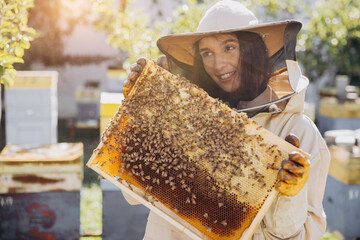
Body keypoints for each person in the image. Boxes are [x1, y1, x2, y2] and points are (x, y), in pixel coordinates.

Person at [123, 1, 330, 239]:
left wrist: (291, 195)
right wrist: (142, 113)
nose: (218, 64)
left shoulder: (297, 131)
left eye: (229, 47)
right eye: (207, 53)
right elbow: (133, 191)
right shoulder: (185, 118)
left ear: (253, 50)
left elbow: (300, 236)